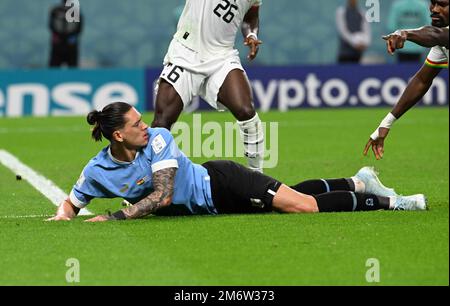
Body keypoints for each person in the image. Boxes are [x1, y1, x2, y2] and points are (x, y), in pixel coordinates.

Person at [47, 102, 426, 222]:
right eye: (137, 124)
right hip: (218, 206)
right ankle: (357, 182)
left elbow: (162, 196)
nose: (146, 126)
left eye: (142, 119)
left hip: (222, 182)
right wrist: (63, 218)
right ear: (117, 136)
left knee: (303, 207)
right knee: (287, 197)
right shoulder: (97, 171)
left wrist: (115, 217)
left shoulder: (158, 139)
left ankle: (392, 202)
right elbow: (72, 203)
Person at [151, 0, 265, 173]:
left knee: (246, 112)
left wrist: (251, 35)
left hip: (222, 56)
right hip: (185, 52)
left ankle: (257, 177)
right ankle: (146, 183)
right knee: (162, 122)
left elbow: (250, 17)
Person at [364, 0, 448, 160]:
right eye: (433, 3)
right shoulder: (441, 43)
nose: (435, 9)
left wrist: (405, 34)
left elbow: (436, 35)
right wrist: (386, 122)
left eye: (443, 4)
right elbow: (422, 80)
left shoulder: (441, 37)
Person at [49, 0, 83, 67]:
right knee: (57, 65)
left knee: (70, 65)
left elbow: (51, 25)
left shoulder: (55, 10)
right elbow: (79, 28)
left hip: (65, 41)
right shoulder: (56, 11)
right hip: (64, 41)